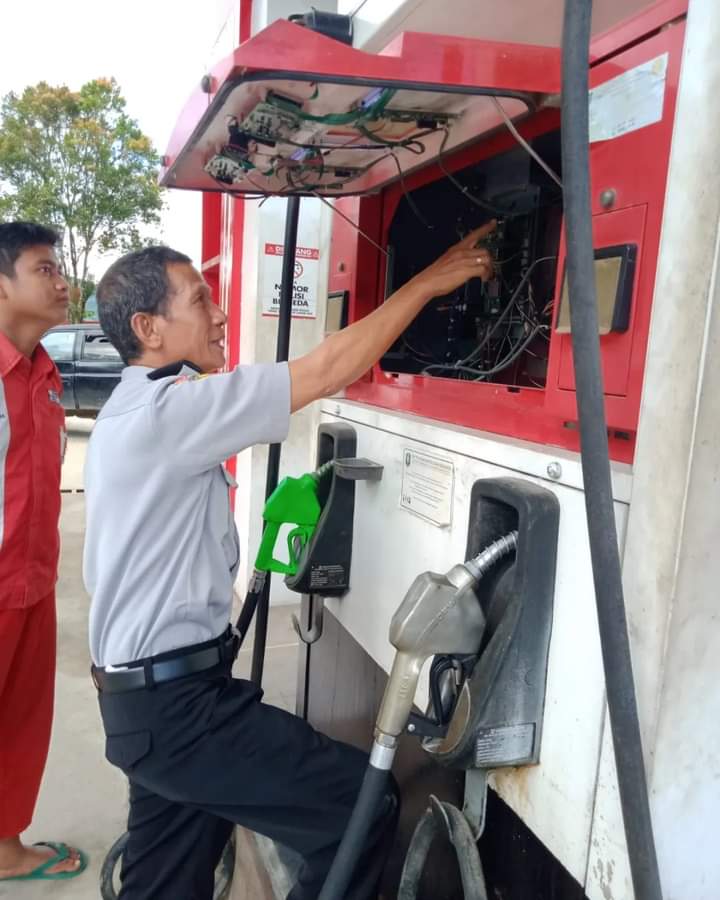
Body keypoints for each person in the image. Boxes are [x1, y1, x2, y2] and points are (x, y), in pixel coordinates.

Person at [84, 223, 495, 899]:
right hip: (178, 711)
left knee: (163, 887)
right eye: (199, 299)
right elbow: (329, 369)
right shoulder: (172, 408)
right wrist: (427, 282)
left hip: (149, 707)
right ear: (148, 328)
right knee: (359, 811)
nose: (219, 313)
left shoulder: (132, 411)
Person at [0, 222, 87, 882]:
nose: (62, 282)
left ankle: (5, 850)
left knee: (20, 726)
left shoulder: (46, 375)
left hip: (32, 585)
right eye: (44, 269)